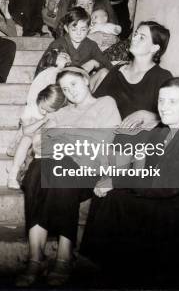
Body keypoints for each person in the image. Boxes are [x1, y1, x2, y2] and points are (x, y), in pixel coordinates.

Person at [80, 78, 179, 287]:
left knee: (116, 199)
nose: (163, 107)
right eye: (161, 101)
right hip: (162, 199)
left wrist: (117, 182)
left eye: (172, 102)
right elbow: (147, 173)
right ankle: (110, 269)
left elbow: (168, 184)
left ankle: (111, 271)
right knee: (108, 195)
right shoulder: (162, 131)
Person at [16, 67, 121, 287]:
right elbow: (39, 144)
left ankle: (64, 256)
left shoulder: (105, 103)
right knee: (37, 170)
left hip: (89, 170)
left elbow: (108, 141)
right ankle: (36, 258)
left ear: (85, 80)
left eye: (73, 84)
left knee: (60, 166)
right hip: (58, 168)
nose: (70, 91)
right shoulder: (60, 113)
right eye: (64, 88)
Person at [93, 21, 172, 129]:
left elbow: (172, 117)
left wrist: (150, 116)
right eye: (135, 34)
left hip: (135, 141)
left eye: (142, 37)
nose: (134, 39)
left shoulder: (162, 77)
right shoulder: (117, 70)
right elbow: (95, 104)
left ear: (154, 48)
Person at [7, 84, 66, 189]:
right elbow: (26, 131)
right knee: (27, 139)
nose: (44, 112)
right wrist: (43, 120)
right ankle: (13, 172)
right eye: (42, 108)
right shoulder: (30, 108)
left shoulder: (57, 114)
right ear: (39, 99)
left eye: (49, 111)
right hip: (23, 143)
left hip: (39, 146)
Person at [35, 8, 112, 75]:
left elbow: (108, 66)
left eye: (83, 29)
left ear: (89, 29)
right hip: (61, 84)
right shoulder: (58, 44)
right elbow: (42, 67)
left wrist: (94, 63)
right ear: (66, 28)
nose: (79, 33)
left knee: (104, 73)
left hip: (83, 84)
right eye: (74, 29)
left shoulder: (91, 45)